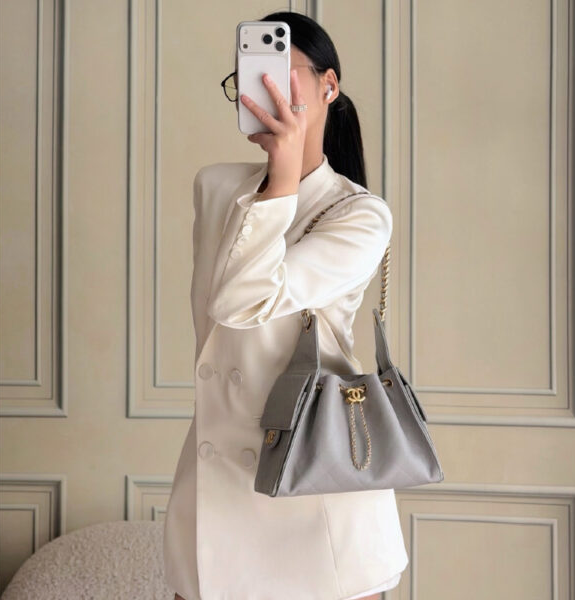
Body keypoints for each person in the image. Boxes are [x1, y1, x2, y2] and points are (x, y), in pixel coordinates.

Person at [164, 11, 409, 600]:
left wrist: (282, 180)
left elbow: (242, 301)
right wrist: (275, 180)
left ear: (329, 85)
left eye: (282, 68)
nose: (264, 83)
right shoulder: (216, 187)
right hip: (215, 495)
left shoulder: (361, 214)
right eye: (251, 71)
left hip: (317, 502)